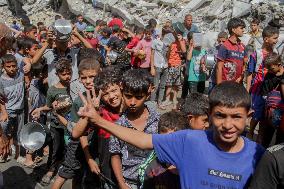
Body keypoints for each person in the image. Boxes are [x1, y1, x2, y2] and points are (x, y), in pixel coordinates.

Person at [77, 81, 265, 189]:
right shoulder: (190, 140)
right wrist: (98, 120)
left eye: (236, 117)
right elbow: (143, 140)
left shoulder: (260, 156)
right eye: (220, 116)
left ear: (248, 117)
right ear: (210, 116)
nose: (227, 125)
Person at [51, 58, 101, 189]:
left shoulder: (105, 96)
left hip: (94, 144)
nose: (88, 81)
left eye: (92, 76)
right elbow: (75, 131)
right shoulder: (80, 100)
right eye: (84, 77)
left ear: (100, 74)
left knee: (80, 176)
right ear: (79, 78)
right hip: (77, 145)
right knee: (65, 173)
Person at [32, 58, 73, 185]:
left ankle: (67, 169)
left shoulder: (74, 86)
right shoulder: (53, 90)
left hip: (71, 125)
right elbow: (48, 106)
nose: (67, 76)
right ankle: (50, 170)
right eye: (63, 74)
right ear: (57, 74)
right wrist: (39, 109)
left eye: (69, 73)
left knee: (69, 149)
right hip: (57, 125)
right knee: (55, 149)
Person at [246, 26, 279, 142]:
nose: (276, 41)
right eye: (274, 38)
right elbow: (250, 73)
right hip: (258, 89)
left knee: (265, 115)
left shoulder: (276, 53)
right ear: (266, 39)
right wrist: (247, 90)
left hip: (270, 89)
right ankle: (250, 132)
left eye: (277, 38)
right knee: (256, 113)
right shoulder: (257, 54)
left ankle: (260, 137)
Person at [138, 111, 187, 189]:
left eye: (172, 140)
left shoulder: (190, 167)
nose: (167, 146)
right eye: (163, 141)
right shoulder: (153, 169)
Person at [0, 54, 25, 163]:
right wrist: (4, 112)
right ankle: (3, 154)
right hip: (8, 111)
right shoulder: (1, 80)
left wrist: (28, 63)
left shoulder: (21, 75)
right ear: (3, 67)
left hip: (20, 110)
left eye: (13, 66)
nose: (11, 69)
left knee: (19, 133)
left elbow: (30, 61)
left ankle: (18, 155)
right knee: (4, 132)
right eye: (8, 66)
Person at [216, 18, 246, 84]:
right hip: (225, 85)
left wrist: (241, 77)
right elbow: (219, 67)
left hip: (238, 84)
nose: (243, 30)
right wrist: (218, 87)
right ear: (233, 30)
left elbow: (245, 64)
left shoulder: (243, 46)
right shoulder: (225, 46)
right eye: (241, 28)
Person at [162, 29, 186, 110]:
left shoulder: (181, 41)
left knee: (176, 84)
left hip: (177, 65)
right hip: (169, 64)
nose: (176, 35)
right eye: (176, 34)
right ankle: (167, 99)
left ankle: (175, 99)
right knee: (168, 83)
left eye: (178, 34)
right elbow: (167, 52)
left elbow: (184, 50)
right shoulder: (171, 40)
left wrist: (180, 40)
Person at [150, 29, 168, 109]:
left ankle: (159, 102)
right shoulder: (155, 41)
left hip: (165, 66)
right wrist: (152, 67)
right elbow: (152, 54)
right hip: (157, 66)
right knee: (155, 86)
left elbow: (168, 55)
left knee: (163, 86)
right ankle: (152, 104)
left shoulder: (168, 43)